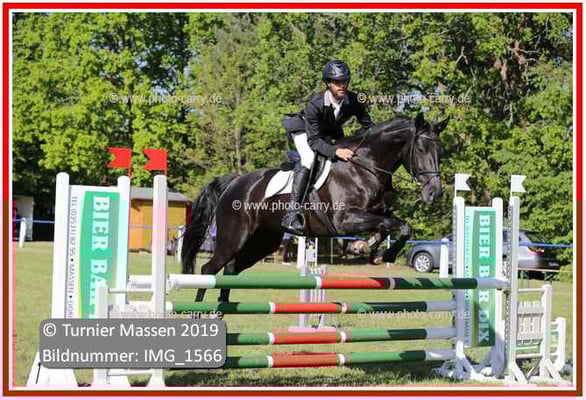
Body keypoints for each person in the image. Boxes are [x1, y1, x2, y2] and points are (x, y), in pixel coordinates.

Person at [281, 60, 374, 235]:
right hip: (305, 131)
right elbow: (314, 141)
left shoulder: (354, 100)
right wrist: (336, 151)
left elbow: (369, 127)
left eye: (344, 81)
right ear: (328, 83)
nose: (342, 85)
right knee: (309, 159)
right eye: (337, 82)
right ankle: (292, 214)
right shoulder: (315, 104)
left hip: (328, 132)